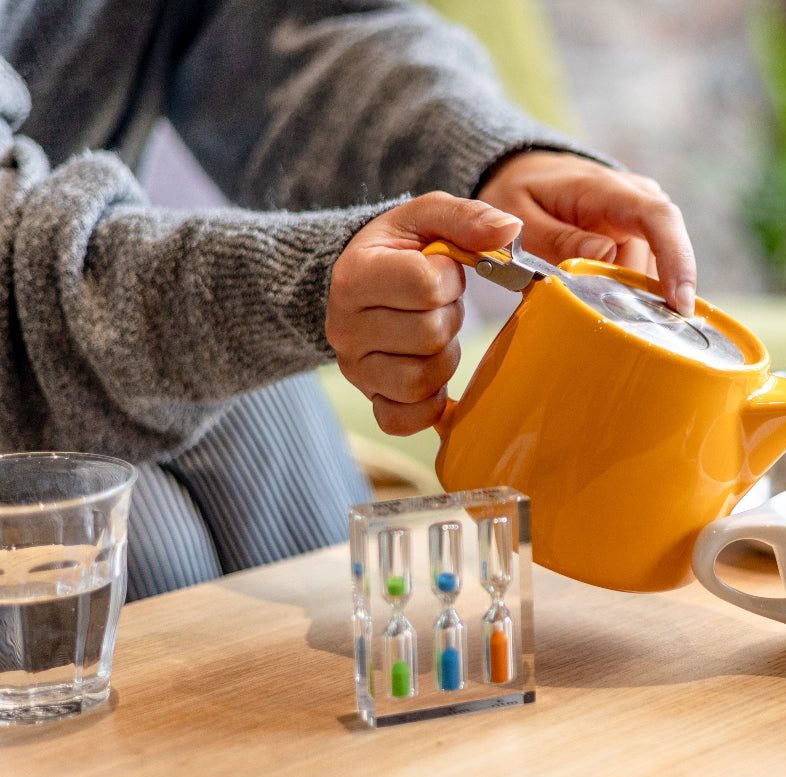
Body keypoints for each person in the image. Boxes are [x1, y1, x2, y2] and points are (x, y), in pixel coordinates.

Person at [0, 1, 697, 598]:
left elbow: (298, 26)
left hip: (86, 293)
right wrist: (296, 285)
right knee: (141, 544)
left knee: (268, 411)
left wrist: (491, 163)